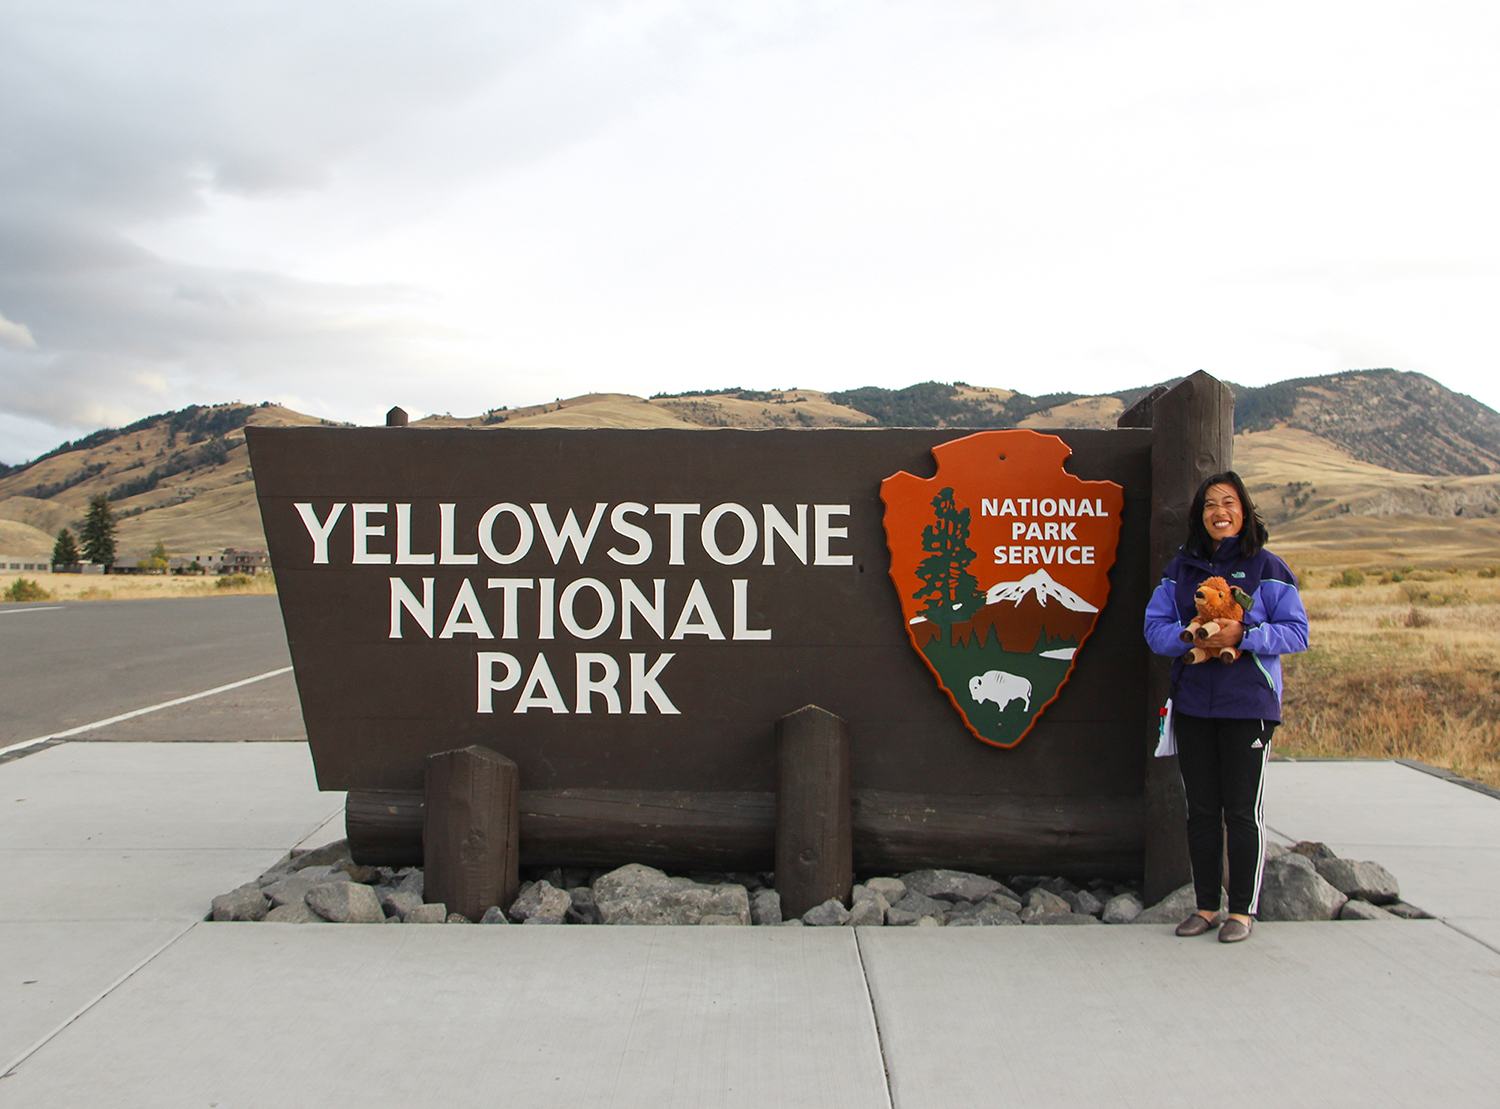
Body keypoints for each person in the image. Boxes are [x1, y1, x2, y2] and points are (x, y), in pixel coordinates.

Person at [1144, 471, 1308, 943]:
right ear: (1200, 516)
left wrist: (1246, 636)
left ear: (1244, 510)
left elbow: (1297, 632)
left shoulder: (1268, 567)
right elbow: (1154, 628)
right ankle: (1205, 906)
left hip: (1249, 705)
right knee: (1200, 810)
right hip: (1194, 703)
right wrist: (1188, 636)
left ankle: (1242, 911)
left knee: (1241, 810)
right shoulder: (1181, 570)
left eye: (1229, 502)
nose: (1220, 511)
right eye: (1210, 504)